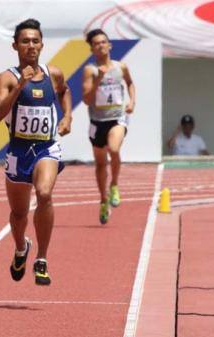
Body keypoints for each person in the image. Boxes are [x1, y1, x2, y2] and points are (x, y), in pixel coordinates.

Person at [0, 18, 72, 286]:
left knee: (45, 193)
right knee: (18, 214)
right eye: (25, 41)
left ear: (42, 44)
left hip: (46, 147)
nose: (31, 46)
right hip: (18, 150)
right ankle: (21, 247)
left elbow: (64, 91)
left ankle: (42, 258)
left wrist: (67, 116)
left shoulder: (53, 73)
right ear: (15, 45)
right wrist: (19, 88)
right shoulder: (7, 78)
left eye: (35, 41)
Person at [82, 28, 136, 224]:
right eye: (96, 43)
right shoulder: (90, 70)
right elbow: (87, 100)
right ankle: (103, 200)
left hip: (117, 117)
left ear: (109, 45)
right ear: (92, 49)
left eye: (103, 42)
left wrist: (132, 101)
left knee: (114, 148)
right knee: (100, 164)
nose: (101, 45)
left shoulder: (121, 67)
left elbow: (130, 83)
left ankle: (114, 185)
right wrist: (97, 80)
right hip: (97, 121)